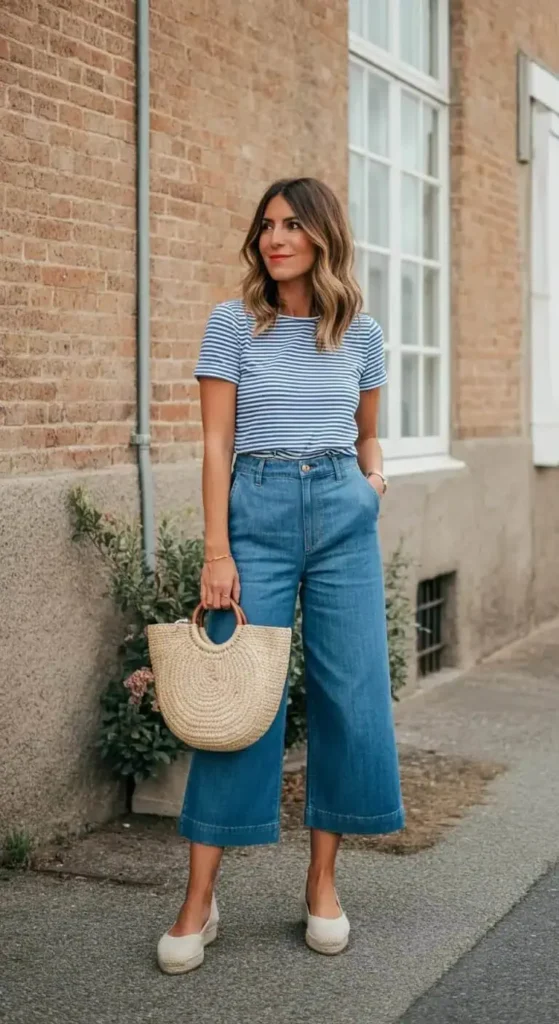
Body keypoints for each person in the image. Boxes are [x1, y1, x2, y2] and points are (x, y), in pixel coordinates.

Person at [157, 177, 404, 974]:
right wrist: (216, 552)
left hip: (340, 511)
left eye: (292, 224)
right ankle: (199, 900)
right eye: (266, 225)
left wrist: (370, 485)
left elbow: (367, 433)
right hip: (255, 510)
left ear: (324, 236)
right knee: (239, 699)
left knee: (351, 692)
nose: (275, 238)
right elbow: (213, 445)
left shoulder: (358, 333)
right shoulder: (232, 325)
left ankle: (322, 882)